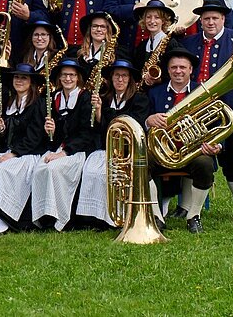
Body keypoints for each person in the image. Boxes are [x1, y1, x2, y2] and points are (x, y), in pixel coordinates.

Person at [181, 0, 233, 225]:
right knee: (198, 158)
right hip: (198, 115)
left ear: (223, 19)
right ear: (200, 21)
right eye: (206, 18)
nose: (210, 22)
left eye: (215, 18)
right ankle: (189, 208)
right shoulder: (189, 43)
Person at [76, 58, 156, 229]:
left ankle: (116, 217)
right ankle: (95, 218)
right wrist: (98, 112)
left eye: (124, 76)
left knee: (110, 175)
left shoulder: (139, 99)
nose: (120, 80)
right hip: (106, 148)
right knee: (92, 172)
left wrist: (106, 115)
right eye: (117, 76)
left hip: (128, 151)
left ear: (130, 79)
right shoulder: (105, 98)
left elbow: (131, 124)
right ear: (111, 79)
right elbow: (100, 129)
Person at [145, 47, 218, 234]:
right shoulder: (155, 93)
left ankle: (194, 215)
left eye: (183, 67)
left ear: (191, 70)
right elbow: (142, 118)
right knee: (141, 163)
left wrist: (216, 144)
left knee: (205, 164)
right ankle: (156, 216)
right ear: (168, 70)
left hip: (192, 152)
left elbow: (217, 121)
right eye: (174, 67)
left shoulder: (203, 92)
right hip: (162, 152)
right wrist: (149, 120)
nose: (178, 71)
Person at [0, 63, 50, 235]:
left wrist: (13, 154)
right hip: (9, 151)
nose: (19, 81)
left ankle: (5, 220)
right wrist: (1, 129)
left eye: (24, 78)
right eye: (17, 77)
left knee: (6, 171)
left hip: (28, 153)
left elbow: (35, 137)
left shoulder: (38, 104)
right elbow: (4, 136)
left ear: (31, 82)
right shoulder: (9, 102)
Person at [32, 58, 94, 231]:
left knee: (54, 169)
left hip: (77, 150)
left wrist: (64, 153)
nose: (68, 79)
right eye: (64, 75)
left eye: (72, 75)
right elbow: (53, 136)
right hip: (57, 148)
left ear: (78, 78)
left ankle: (61, 218)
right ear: (59, 78)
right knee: (39, 169)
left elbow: (86, 133)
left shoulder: (85, 98)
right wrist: (50, 130)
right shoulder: (53, 99)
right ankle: (43, 216)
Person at [132, 0, 179, 89]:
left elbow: (175, 73)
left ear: (163, 21)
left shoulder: (171, 44)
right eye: (148, 17)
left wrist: (158, 79)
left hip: (161, 92)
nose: (152, 21)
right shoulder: (142, 45)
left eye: (157, 17)